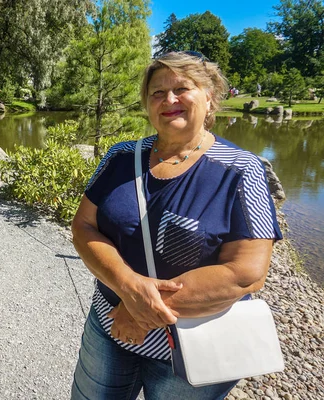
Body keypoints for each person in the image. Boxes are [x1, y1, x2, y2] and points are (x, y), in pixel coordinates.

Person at [70, 51, 282, 399]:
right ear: (147, 103)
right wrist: (129, 290)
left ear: (210, 98)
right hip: (110, 328)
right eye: (157, 92)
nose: (169, 100)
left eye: (182, 88)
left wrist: (138, 311)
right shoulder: (120, 156)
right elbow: (83, 227)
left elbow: (247, 272)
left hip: (195, 341)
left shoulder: (243, 170)